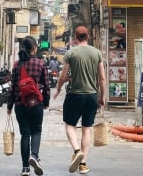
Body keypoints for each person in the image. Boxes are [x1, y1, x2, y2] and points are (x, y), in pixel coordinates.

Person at [53, 26, 106, 174]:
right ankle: (83, 164)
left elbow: (63, 76)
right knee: (86, 129)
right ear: (88, 37)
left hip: (75, 95)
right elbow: (102, 77)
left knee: (69, 125)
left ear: (76, 38)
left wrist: (58, 90)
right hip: (91, 96)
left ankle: (77, 151)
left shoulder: (71, 53)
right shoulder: (96, 53)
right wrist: (102, 96)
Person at [7, 36, 50, 176]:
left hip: (20, 104)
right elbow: (47, 86)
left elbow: (12, 87)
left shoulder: (16, 65)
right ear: (34, 48)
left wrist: (9, 106)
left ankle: (25, 168)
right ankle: (34, 155)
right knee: (36, 131)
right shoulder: (41, 63)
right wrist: (46, 103)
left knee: (25, 134)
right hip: (36, 104)